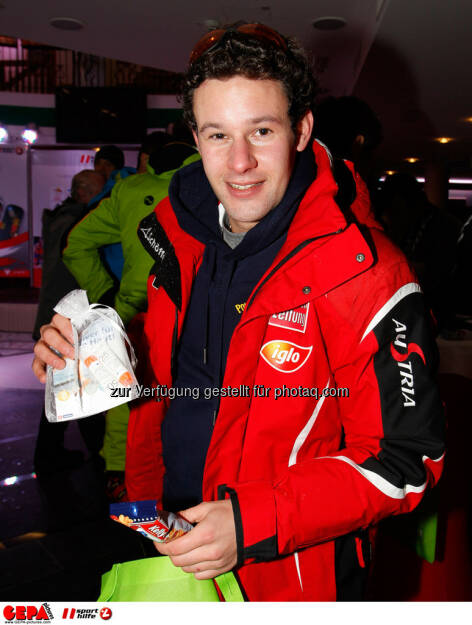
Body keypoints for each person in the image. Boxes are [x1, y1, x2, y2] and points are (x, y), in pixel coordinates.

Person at [33, 22, 445, 601]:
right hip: (170, 539)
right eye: (218, 135)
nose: (240, 162)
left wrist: (253, 522)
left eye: (262, 130)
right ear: (195, 138)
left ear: (301, 129)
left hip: (292, 575)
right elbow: (181, 370)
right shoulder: (177, 240)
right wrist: (95, 345)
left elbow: (410, 458)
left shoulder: (368, 271)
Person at [60, 135, 199, 500]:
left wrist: (106, 292)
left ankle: (123, 479)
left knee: (128, 399)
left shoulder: (127, 191)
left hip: (134, 312)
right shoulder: (214, 182)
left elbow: (75, 245)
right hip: (197, 313)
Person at [33, 169, 106, 474]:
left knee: (67, 385)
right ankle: (89, 453)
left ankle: (56, 452)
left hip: (57, 311)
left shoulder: (60, 217)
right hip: (64, 317)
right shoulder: (75, 223)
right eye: (101, 192)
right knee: (73, 384)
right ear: (85, 192)